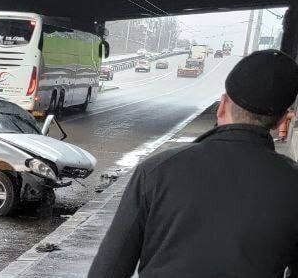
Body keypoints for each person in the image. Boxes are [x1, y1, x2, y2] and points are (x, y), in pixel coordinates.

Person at [88, 49, 298, 278]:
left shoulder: (157, 171)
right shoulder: (292, 182)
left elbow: (108, 270)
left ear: (222, 105)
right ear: (282, 120)